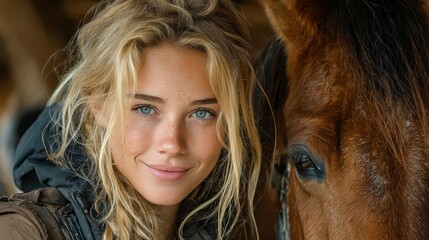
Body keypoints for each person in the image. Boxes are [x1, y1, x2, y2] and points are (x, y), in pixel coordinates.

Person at [0, 0, 263, 239]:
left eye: (201, 113)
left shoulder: (240, 229)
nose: (172, 143)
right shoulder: (24, 233)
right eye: (145, 109)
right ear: (99, 105)